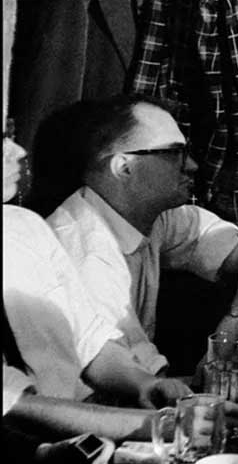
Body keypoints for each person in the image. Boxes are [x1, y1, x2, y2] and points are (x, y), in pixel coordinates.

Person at [45, 95, 238, 378]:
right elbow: (142, 382)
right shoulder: (84, 252)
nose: (192, 165)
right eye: (174, 153)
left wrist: (233, 324)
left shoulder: (153, 215)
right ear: (123, 167)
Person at [3, 126, 192, 442]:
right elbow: (18, 407)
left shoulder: (24, 227)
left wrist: (144, 383)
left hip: (83, 435)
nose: (19, 152)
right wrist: (159, 426)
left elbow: (90, 342)